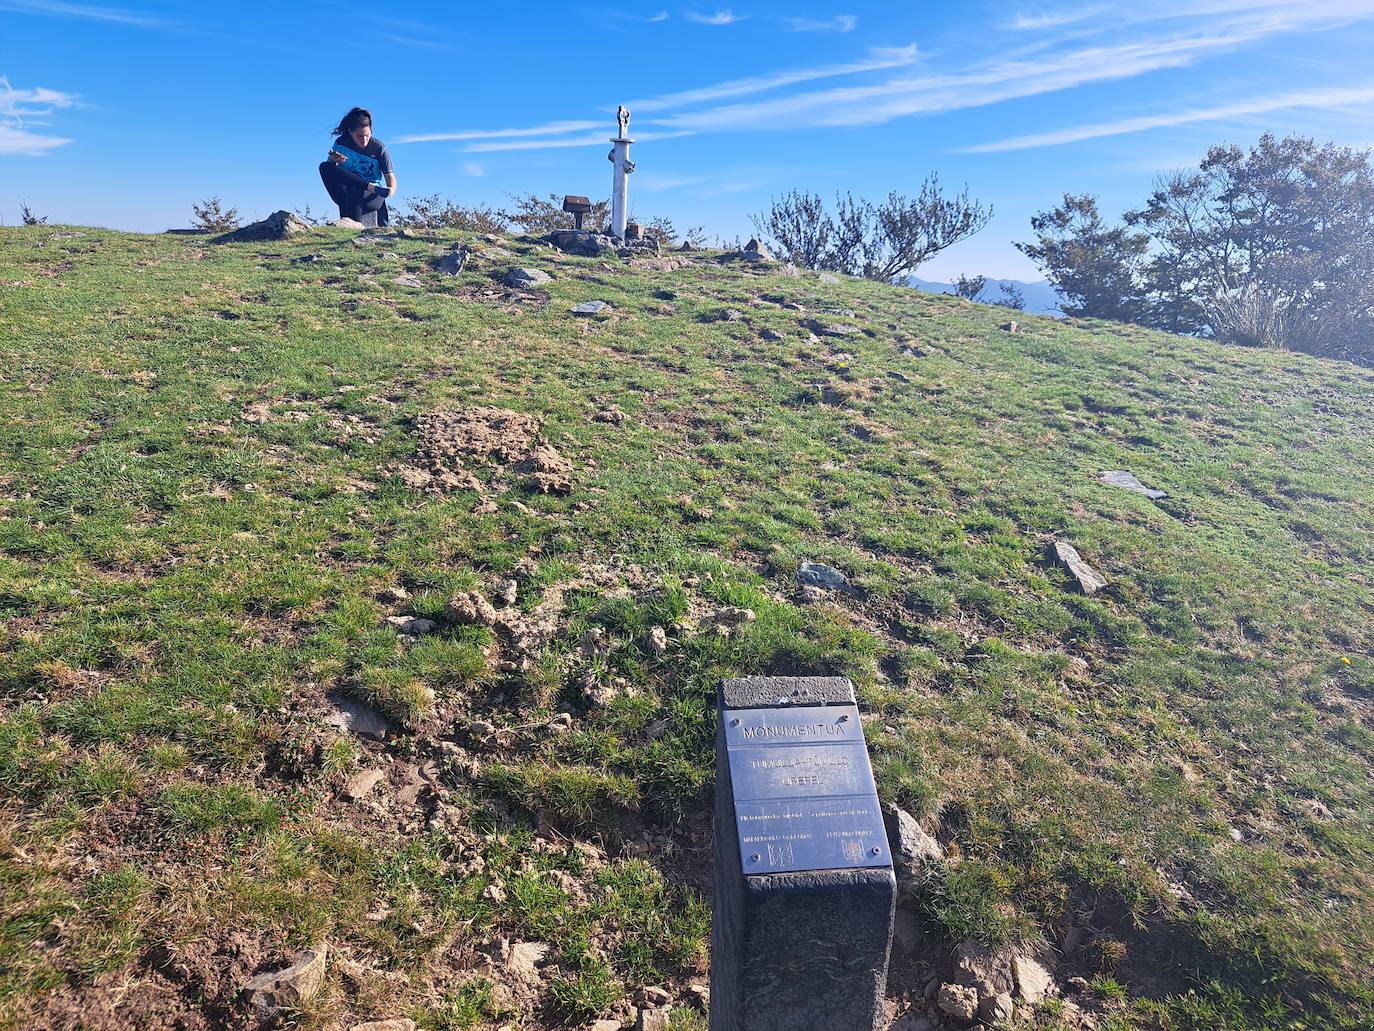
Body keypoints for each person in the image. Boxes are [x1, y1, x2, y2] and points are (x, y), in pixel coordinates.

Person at [319, 107, 397, 226]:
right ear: (351, 132)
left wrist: (390, 191)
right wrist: (333, 161)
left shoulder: (379, 148)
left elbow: (390, 178)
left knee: (356, 190)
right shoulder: (341, 144)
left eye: (367, 135)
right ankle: (367, 186)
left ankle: (354, 229)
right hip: (346, 191)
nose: (364, 140)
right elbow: (333, 174)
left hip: (373, 195)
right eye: (360, 136)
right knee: (324, 166)